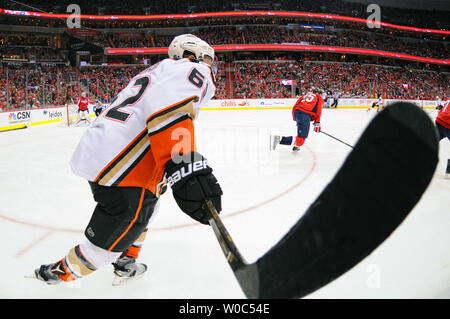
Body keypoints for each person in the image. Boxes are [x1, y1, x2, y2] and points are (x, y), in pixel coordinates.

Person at [33, 34, 223, 286]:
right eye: (208, 58)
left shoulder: (156, 71)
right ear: (192, 54)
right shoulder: (191, 68)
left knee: (149, 208)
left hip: (103, 150)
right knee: (106, 243)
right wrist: (185, 163)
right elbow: (169, 111)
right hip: (124, 165)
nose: (210, 65)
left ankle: (126, 261)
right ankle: (55, 273)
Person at [435, 99, 450, 175]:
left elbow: (440, 106)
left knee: (431, 140)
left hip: (439, 121)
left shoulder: (448, 100)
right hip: (448, 124)